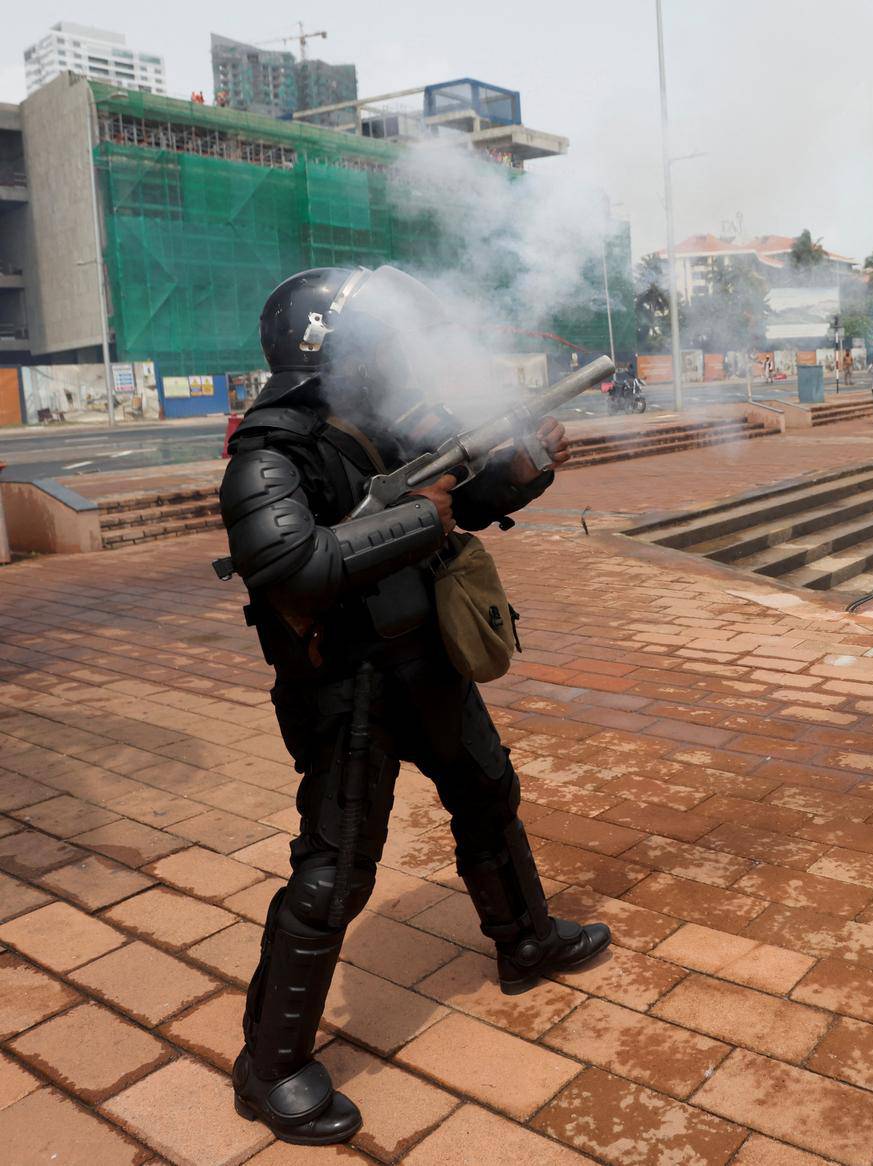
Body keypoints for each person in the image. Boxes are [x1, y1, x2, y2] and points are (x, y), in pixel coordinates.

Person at [217, 267, 611, 1145]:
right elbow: (295, 566)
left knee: (488, 796)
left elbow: (458, 500)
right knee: (334, 871)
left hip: (426, 658)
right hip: (348, 685)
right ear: (328, 353)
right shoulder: (270, 451)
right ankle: (270, 1065)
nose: (399, 358)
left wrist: (522, 471)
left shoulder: (385, 424)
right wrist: (421, 520)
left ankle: (526, 941)